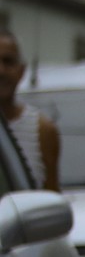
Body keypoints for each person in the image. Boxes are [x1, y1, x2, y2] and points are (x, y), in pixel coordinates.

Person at [0, 30, 60, 191]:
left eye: (8, 62)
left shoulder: (42, 131)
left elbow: (50, 199)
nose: (1, 71)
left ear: (21, 71)